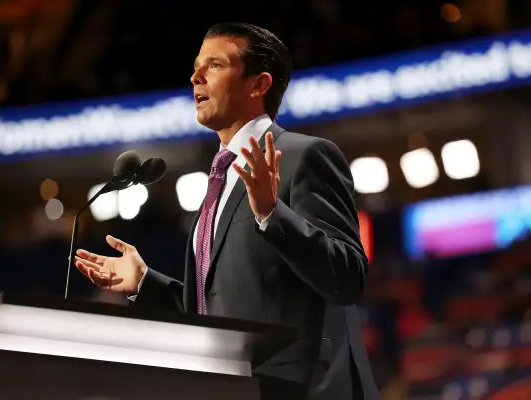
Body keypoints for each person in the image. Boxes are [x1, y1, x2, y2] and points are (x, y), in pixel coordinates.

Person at [75, 22, 378, 400]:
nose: (195, 76)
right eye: (197, 66)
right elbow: (211, 312)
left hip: (301, 391)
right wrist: (145, 282)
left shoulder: (306, 156)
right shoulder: (218, 183)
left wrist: (272, 214)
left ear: (259, 84)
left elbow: (348, 277)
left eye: (215, 65)